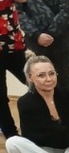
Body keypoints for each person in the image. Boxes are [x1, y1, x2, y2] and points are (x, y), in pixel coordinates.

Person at [17, 0, 69, 89]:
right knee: (36, 80)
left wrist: (50, 34)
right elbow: (18, 12)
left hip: (60, 38)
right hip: (34, 40)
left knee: (63, 79)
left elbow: (66, 10)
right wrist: (37, 35)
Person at [0, 0, 28, 137]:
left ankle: (52, 122)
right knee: (0, 96)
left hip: (15, 44)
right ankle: (11, 135)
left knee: (37, 80)